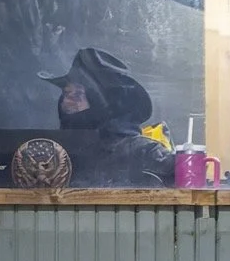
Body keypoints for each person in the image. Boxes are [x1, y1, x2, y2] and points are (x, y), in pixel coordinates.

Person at [40, 47, 172, 187]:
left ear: (103, 102)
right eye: (66, 94)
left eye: (78, 95)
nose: (67, 101)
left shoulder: (142, 152)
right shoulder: (56, 153)